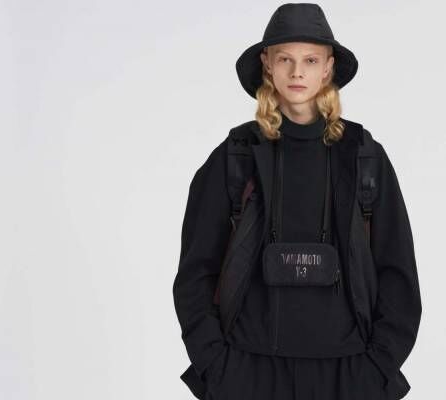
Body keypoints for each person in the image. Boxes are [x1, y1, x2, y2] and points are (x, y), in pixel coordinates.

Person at [172, 3, 422, 400]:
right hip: (248, 370)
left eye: (310, 60)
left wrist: (377, 367)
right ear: (267, 65)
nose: (297, 72)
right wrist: (216, 365)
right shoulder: (235, 156)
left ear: (328, 68)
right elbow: (195, 273)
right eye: (285, 59)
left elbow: (399, 274)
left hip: (347, 373)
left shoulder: (364, 156)